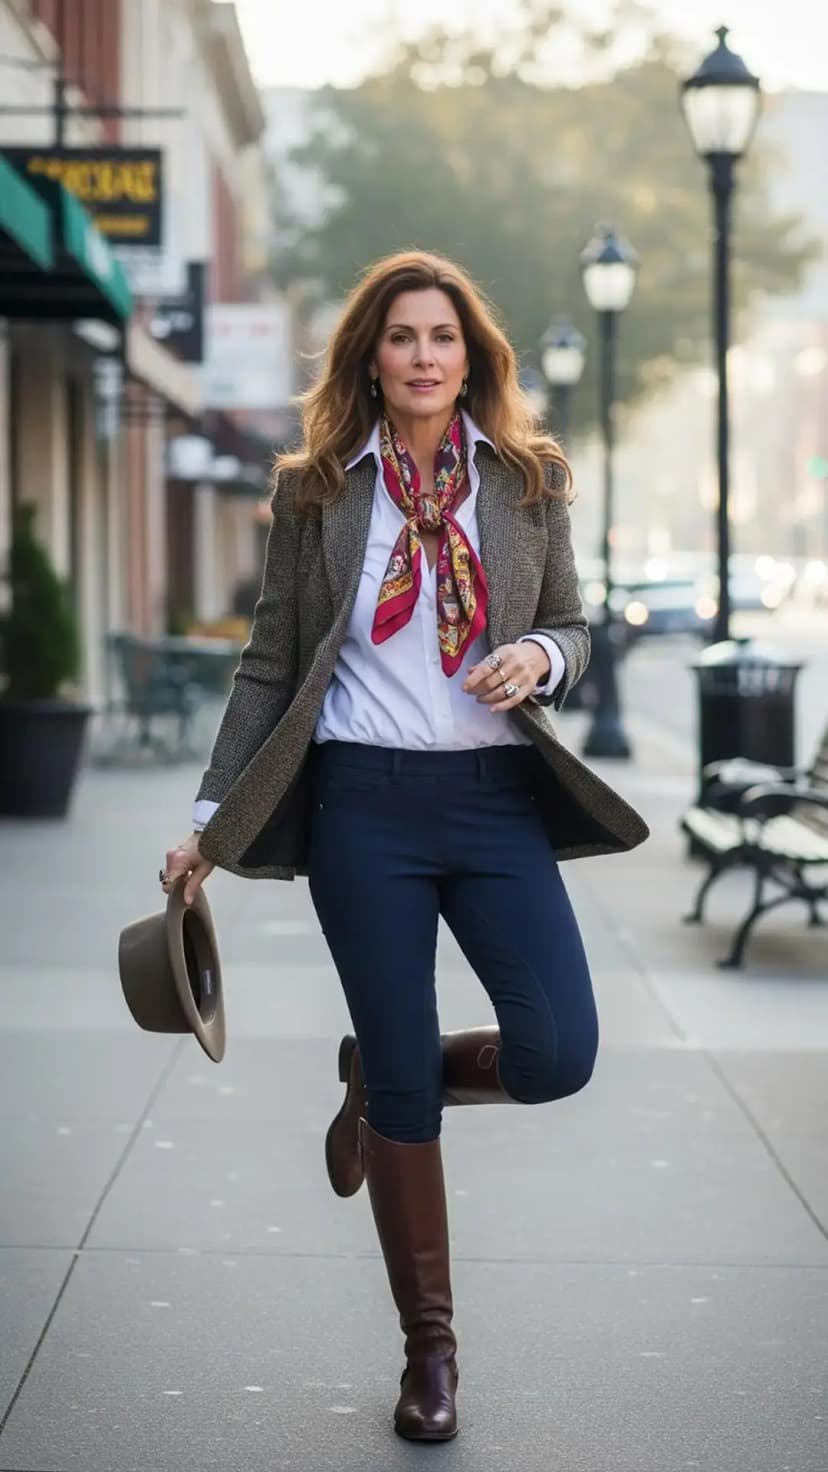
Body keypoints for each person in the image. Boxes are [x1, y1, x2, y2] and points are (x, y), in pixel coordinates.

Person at [161, 250, 648, 1443]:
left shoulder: (528, 480)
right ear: (370, 360)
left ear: (470, 358)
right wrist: (209, 821)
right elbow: (270, 661)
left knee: (558, 1050)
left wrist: (541, 656)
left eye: (442, 337)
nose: (424, 356)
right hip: (362, 807)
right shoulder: (318, 488)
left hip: (493, 800)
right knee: (410, 1082)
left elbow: (575, 624)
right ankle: (430, 1350)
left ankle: (385, 1076)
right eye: (401, 337)